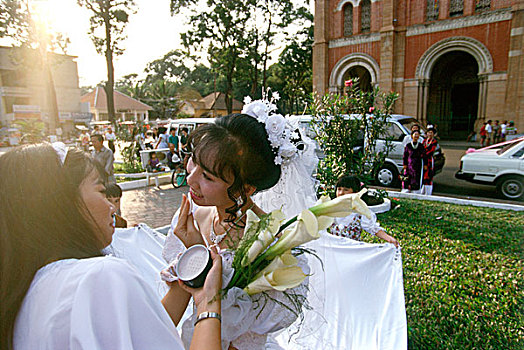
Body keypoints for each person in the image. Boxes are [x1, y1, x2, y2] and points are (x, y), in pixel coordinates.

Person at [0, 143, 223, 350]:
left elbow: (138, 331)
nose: (111, 206)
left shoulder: (25, 294)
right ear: (62, 205)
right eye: (100, 191)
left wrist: (191, 270)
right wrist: (208, 302)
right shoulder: (99, 277)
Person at [161, 113, 309, 350]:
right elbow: (167, 317)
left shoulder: (270, 247)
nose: (190, 179)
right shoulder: (193, 220)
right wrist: (196, 255)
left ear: (246, 188)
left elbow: (242, 343)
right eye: (194, 162)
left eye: (207, 176)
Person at [328, 175, 399, 246]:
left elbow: (373, 228)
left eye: (346, 190)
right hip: (333, 249)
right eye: (339, 189)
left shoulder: (360, 212)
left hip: (352, 251)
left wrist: (389, 239)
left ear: (355, 193)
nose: (341, 193)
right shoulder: (331, 208)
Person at [421, 125, 439, 195]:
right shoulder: (424, 141)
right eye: (429, 132)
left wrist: (424, 154)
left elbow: (431, 150)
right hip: (423, 159)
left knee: (429, 174)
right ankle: (423, 189)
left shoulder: (434, 142)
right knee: (423, 174)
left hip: (429, 160)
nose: (430, 134)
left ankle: (428, 191)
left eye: (431, 133)